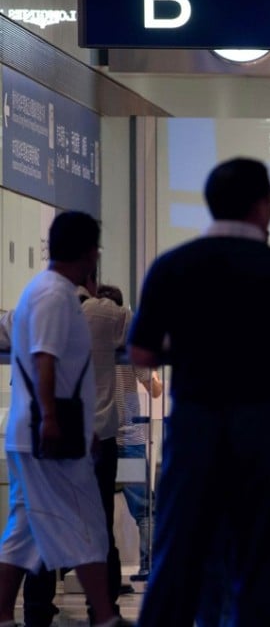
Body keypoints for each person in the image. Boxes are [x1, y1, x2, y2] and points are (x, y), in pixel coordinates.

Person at [129, 157, 270, 626]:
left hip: (195, 426)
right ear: (264, 207)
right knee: (259, 564)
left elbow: (140, 353)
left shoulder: (174, 265)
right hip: (262, 430)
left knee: (179, 555)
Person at [0, 211, 126, 627]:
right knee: (86, 520)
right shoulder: (55, 297)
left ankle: (2, 613)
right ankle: (105, 616)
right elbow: (45, 359)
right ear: (91, 253)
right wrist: (54, 421)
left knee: (24, 532)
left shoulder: (39, 291)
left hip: (32, 432)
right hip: (47, 435)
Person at [100, 281, 161, 584]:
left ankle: (102, 571)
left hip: (101, 437)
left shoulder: (92, 344)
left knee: (99, 506)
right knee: (143, 508)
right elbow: (156, 389)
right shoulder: (129, 347)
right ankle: (150, 565)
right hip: (132, 437)